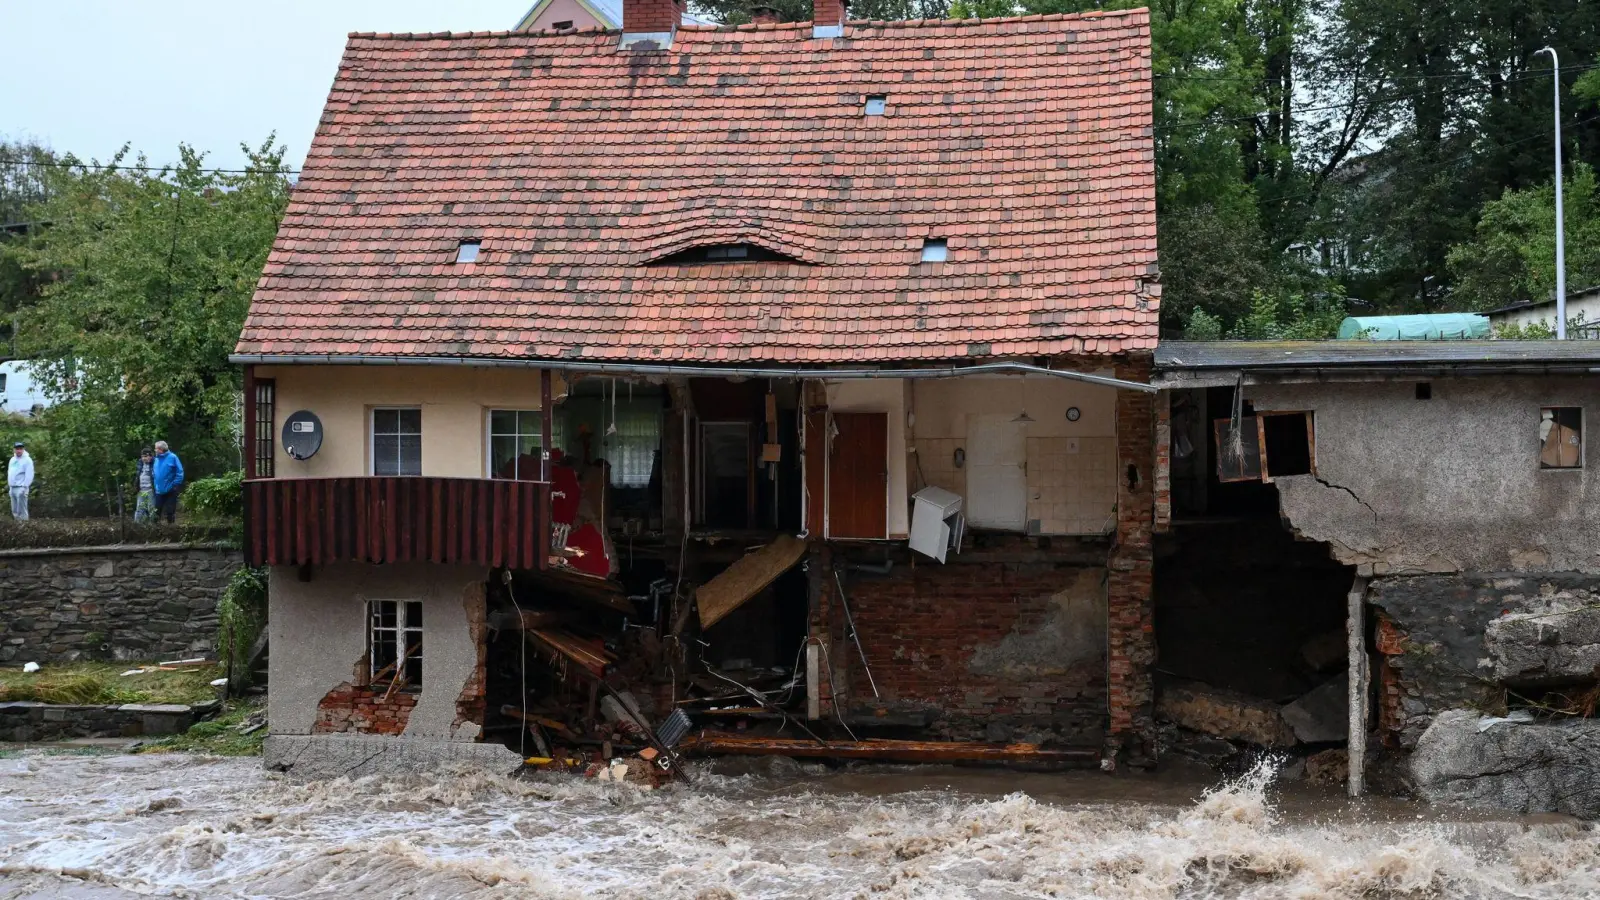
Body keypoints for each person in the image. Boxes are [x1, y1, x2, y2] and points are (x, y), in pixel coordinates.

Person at [151, 440, 184, 524]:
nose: (155, 450)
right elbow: (155, 473)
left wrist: (175, 484)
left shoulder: (173, 457)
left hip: (171, 490)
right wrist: (155, 484)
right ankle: (155, 530)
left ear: (161, 449)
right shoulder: (156, 459)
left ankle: (171, 529)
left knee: (170, 511)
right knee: (156, 512)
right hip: (159, 490)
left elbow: (180, 472)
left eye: (156, 448)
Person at [7, 443, 33, 522]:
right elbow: (10, 472)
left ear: (23, 449)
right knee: (14, 509)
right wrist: (10, 486)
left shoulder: (27, 460)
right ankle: (17, 525)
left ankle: (24, 524)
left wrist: (25, 487)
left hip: (21, 487)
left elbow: (29, 474)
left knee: (22, 508)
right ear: (14, 449)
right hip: (12, 487)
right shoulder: (12, 459)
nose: (18, 450)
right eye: (17, 449)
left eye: (20, 449)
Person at [133, 448, 156, 523]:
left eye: (145, 456)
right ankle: (136, 526)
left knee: (151, 509)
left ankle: (152, 527)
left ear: (150, 456)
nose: (144, 458)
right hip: (141, 490)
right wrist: (136, 486)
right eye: (142, 456)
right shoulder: (140, 463)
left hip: (151, 490)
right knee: (139, 509)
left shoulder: (155, 463)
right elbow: (137, 476)